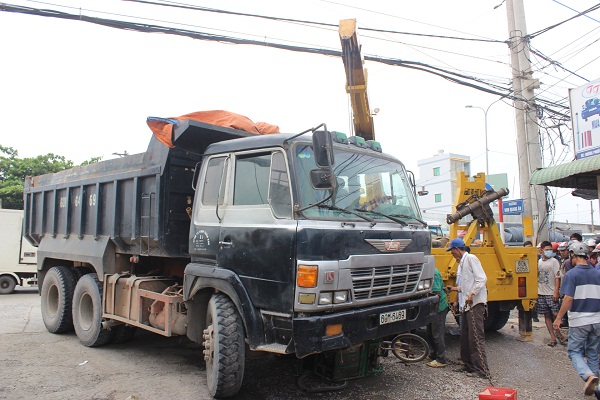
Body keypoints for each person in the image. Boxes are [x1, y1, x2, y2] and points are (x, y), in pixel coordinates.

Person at [552, 242, 600, 398]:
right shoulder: (597, 273)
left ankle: (588, 376)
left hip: (579, 320)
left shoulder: (572, 274)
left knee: (574, 352)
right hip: (597, 319)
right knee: (592, 353)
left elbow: (568, 298)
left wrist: (558, 318)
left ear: (573, 254)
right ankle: (597, 388)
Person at [445, 238, 490, 379]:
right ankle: (468, 364)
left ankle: (481, 370)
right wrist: (454, 289)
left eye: (452, 251)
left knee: (476, 337)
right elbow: (466, 285)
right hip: (465, 305)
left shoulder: (471, 258)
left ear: (457, 249)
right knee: (464, 337)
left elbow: (481, 279)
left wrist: (472, 293)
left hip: (474, 304)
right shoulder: (461, 264)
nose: (451, 254)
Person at [537, 240, 566, 346]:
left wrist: (556, 291)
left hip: (551, 292)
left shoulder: (554, 261)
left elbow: (557, 277)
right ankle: (553, 338)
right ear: (541, 250)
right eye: (547, 250)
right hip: (541, 293)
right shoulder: (539, 262)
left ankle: (559, 335)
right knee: (547, 315)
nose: (549, 251)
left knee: (555, 314)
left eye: (550, 250)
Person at [426, 267, 449, 368]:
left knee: (437, 333)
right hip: (431, 308)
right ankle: (433, 354)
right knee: (430, 332)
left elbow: (436, 293)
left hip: (438, 307)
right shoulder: (427, 271)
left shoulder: (433, 272)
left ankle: (441, 359)